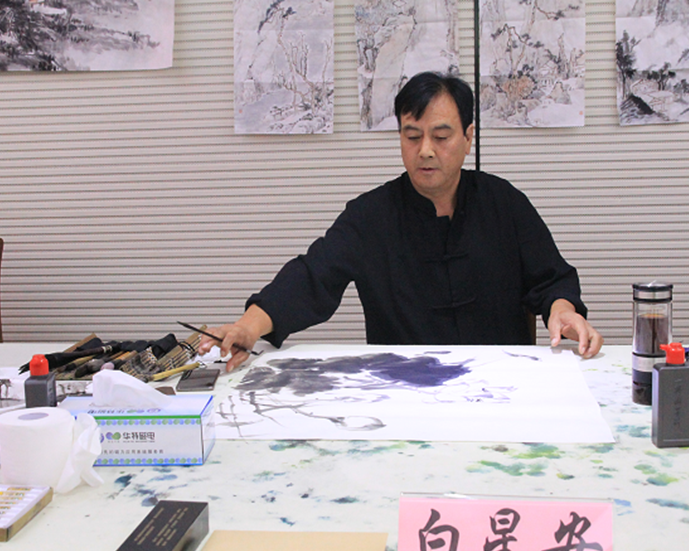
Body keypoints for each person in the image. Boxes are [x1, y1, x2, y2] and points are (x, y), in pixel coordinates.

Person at [200, 71, 603, 372]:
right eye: (412, 136)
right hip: (403, 388)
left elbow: (552, 279)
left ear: (468, 138)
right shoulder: (371, 216)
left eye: (441, 137)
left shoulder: (505, 204)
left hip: (502, 383)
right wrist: (248, 327)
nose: (425, 150)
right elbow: (312, 277)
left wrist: (563, 310)